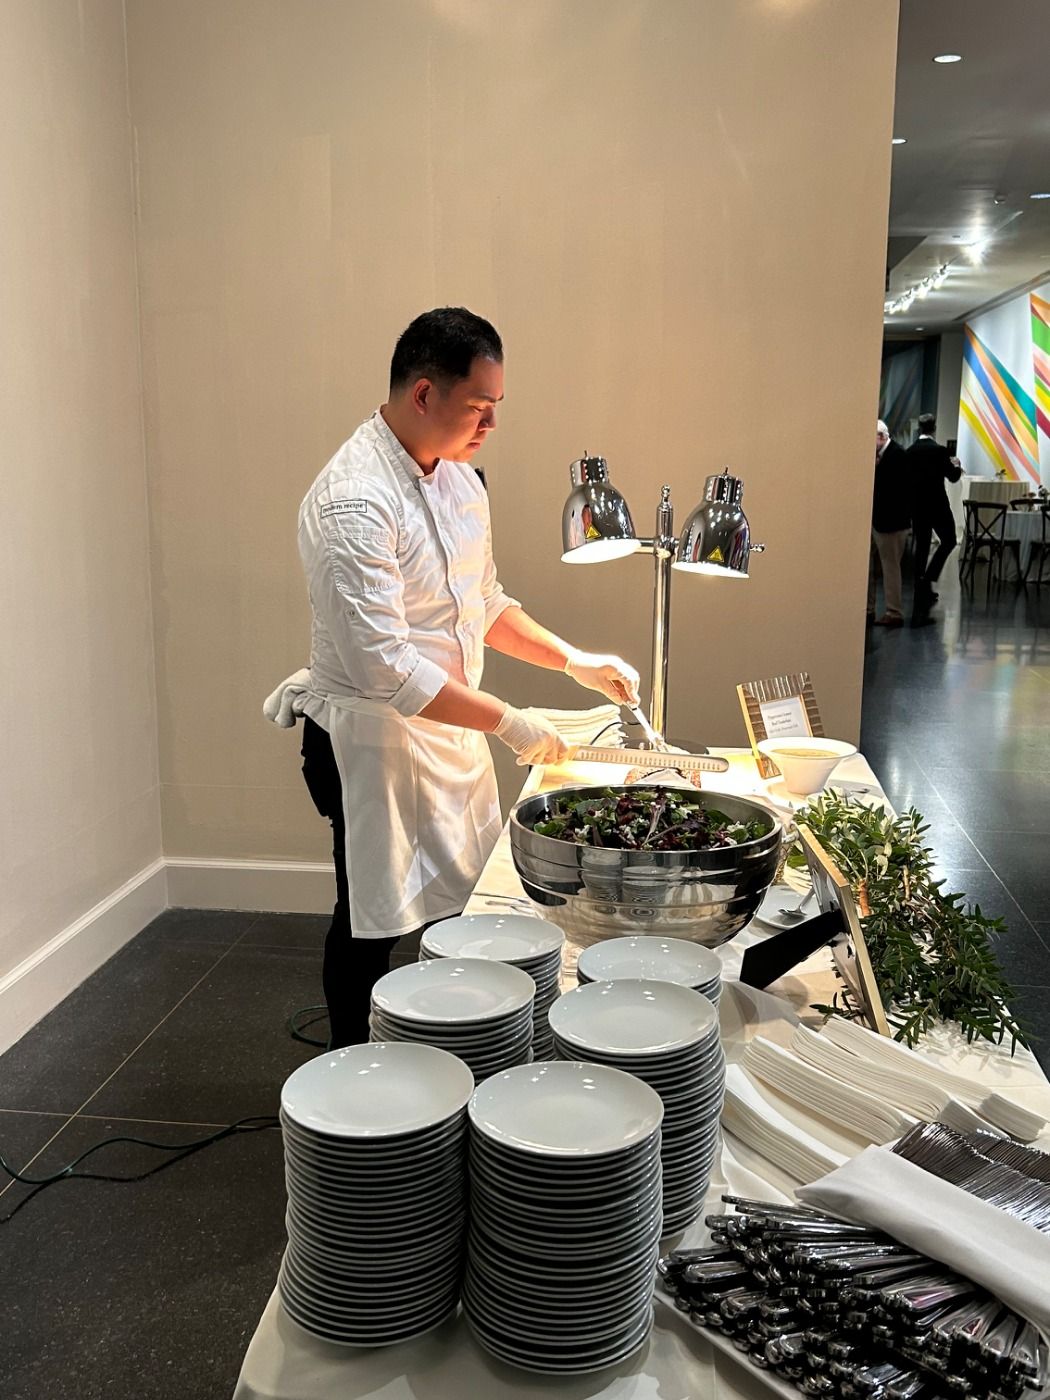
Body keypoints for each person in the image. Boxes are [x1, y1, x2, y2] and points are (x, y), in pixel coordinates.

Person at [294, 307, 640, 1048]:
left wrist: (574, 661)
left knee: (464, 903)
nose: (490, 425)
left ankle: (455, 1043)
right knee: (368, 918)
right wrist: (512, 722)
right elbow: (386, 668)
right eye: (478, 408)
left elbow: (482, 603)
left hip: (450, 729)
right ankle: (355, 1064)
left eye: (495, 409)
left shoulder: (459, 483)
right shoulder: (354, 500)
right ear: (424, 395)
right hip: (369, 743)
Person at [908, 412, 962, 614]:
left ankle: (919, 585)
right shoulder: (940, 451)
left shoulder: (910, 451)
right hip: (938, 505)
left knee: (921, 546)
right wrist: (956, 465)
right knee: (949, 540)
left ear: (920, 429)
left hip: (918, 506)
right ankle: (929, 578)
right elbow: (953, 477)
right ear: (934, 428)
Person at [867, 419, 911, 627]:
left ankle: (894, 612)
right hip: (880, 521)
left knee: (890, 567)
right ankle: (868, 608)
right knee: (871, 567)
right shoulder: (885, 455)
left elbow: (895, 491)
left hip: (892, 523)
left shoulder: (897, 455)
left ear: (881, 437)